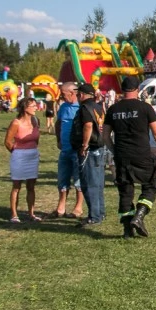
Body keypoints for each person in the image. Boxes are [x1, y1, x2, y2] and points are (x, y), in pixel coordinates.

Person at [103, 76, 156, 239]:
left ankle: (127, 230)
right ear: (137, 90)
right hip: (142, 154)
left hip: (122, 156)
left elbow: (105, 135)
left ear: (122, 90)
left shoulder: (113, 109)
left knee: (125, 191)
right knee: (151, 184)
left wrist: (114, 150)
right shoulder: (145, 108)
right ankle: (139, 215)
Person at [72, 83, 106, 228]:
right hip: (99, 147)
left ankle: (94, 216)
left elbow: (88, 126)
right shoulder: (98, 106)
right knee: (98, 183)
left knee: (89, 183)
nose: (78, 96)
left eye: (78, 93)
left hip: (90, 149)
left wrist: (84, 145)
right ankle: (100, 212)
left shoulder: (85, 107)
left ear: (82, 94)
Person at [48, 84, 84, 219]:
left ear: (72, 92)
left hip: (77, 149)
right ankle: (61, 207)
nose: (61, 96)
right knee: (62, 178)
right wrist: (58, 139)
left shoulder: (81, 107)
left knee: (78, 180)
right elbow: (58, 124)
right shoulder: (63, 107)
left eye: (63, 94)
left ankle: (78, 207)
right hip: (65, 149)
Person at [4, 97, 41, 223]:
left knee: (31, 186)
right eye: (33, 105)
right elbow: (8, 142)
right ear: (25, 108)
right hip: (19, 156)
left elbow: (36, 139)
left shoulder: (36, 121)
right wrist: (17, 153)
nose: (36, 107)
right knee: (16, 186)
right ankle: (14, 214)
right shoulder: (16, 123)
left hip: (33, 155)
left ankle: (31, 213)